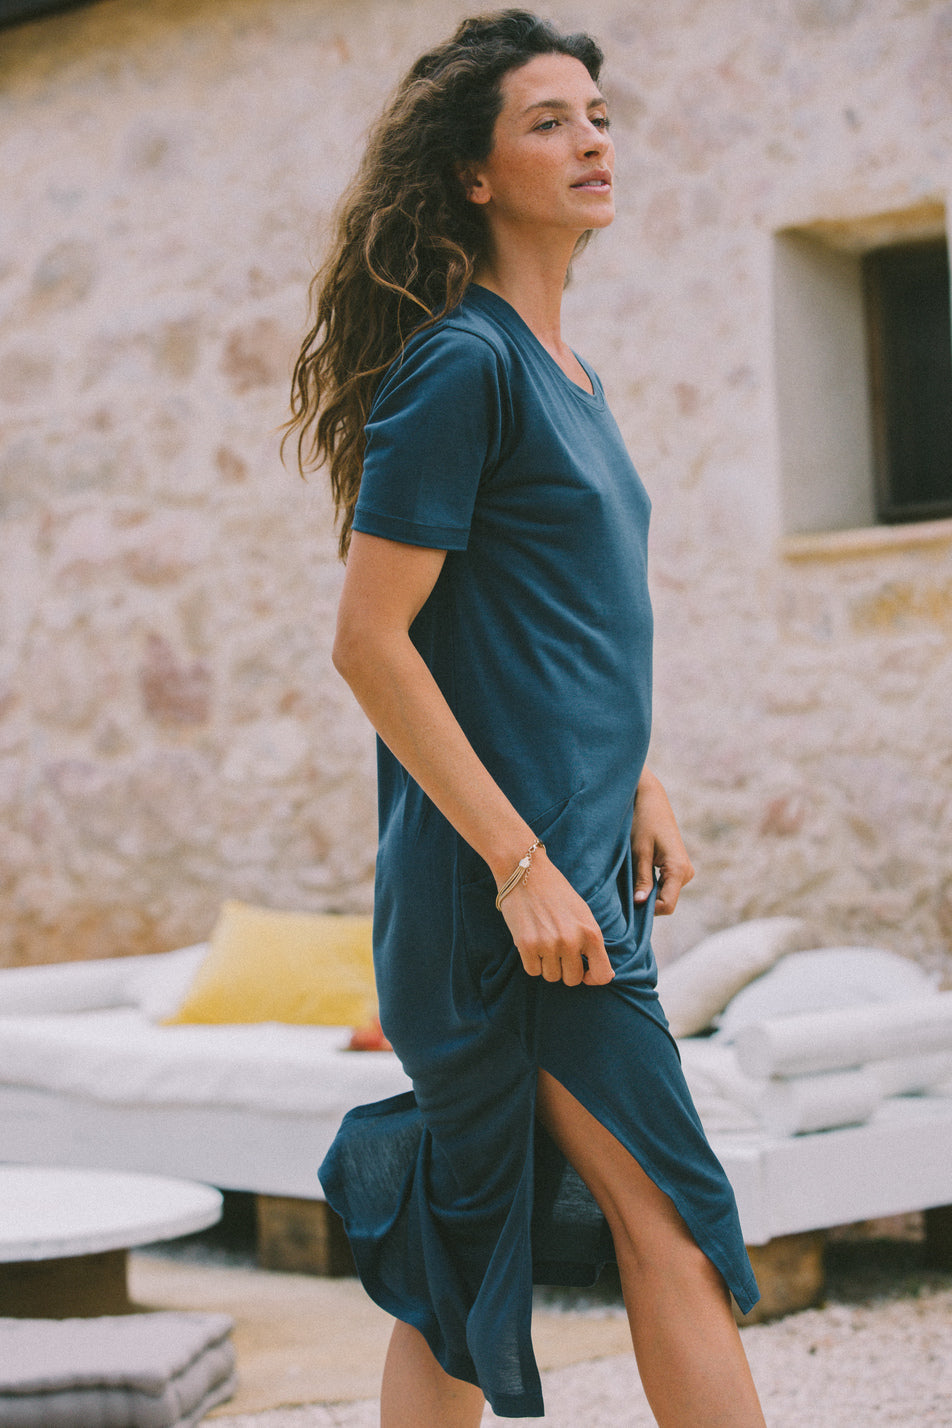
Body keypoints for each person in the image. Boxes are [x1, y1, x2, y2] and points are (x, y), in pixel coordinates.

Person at [286, 11, 767, 1425]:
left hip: (569, 864)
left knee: (459, 1245)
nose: (592, 139)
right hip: (507, 898)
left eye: (598, 114)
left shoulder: (573, 381)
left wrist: (640, 779)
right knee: (671, 1214)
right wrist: (518, 864)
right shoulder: (465, 366)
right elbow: (369, 645)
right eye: (548, 120)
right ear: (476, 174)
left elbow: (554, 629)